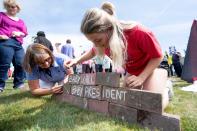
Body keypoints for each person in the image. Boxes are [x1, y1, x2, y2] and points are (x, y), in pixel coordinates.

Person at [66, 2, 169, 109]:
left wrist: (141, 78)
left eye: (98, 40)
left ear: (110, 29)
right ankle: (149, 86)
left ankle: (166, 89)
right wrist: (76, 60)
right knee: (127, 103)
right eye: (92, 41)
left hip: (152, 69)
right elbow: (93, 52)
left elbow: (158, 56)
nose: (96, 45)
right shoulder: (103, 42)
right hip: (133, 72)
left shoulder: (138, 32)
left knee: (153, 106)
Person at [0, 0, 28, 92]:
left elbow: (25, 33)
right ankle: (0, 85)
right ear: (6, 7)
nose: (11, 8)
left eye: (14, 6)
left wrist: (19, 33)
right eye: (9, 6)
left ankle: (18, 84)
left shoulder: (21, 21)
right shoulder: (2, 15)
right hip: (6, 42)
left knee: (21, 63)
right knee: (5, 64)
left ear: (17, 8)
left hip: (18, 43)